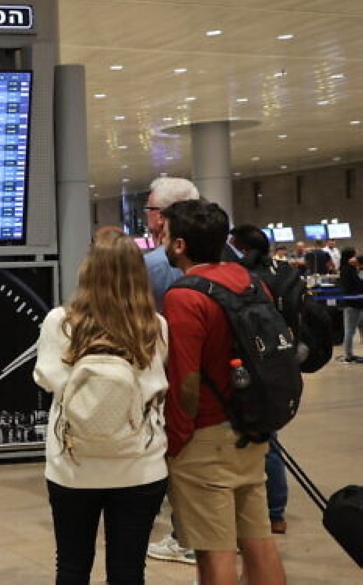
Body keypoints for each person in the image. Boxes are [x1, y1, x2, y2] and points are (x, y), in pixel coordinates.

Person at [161, 199, 286, 585]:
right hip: (250, 428)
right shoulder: (248, 280)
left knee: (214, 552)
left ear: (180, 245)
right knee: (258, 540)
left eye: (163, 235)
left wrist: (175, 441)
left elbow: (186, 380)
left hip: (206, 439)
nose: (160, 242)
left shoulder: (185, 296)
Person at [34, 229, 169, 584]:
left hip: (72, 465)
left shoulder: (60, 322)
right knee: (128, 571)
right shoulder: (155, 327)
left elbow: (46, 379)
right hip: (140, 466)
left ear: (88, 270)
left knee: (72, 566)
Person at [142, 177, 199, 566]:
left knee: (180, 457)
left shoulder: (156, 265)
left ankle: (186, 536)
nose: (147, 217)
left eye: (149, 210)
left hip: (174, 376)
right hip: (227, 384)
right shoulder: (231, 262)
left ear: (163, 218)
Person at [228, 224, 292, 535]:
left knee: (252, 443)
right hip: (280, 364)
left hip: (251, 368)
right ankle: (276, 511)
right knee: (271, 443)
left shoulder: (243, 276)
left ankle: (252, 515)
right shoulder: (280, 271)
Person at [142, 177, 200, 311]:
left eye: (149, 208)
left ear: (160, 215)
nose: (146, 213)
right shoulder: (219, 252)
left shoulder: (151, 264)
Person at [338, 247, 363, 364]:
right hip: (351, 304)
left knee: (353, 329)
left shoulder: (349, 269)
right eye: (353, 256)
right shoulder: (347, 270)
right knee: (349, 331)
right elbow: (354, 286)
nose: (355, 258)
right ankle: (348, 355)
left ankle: (349, 353)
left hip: (356, 304)